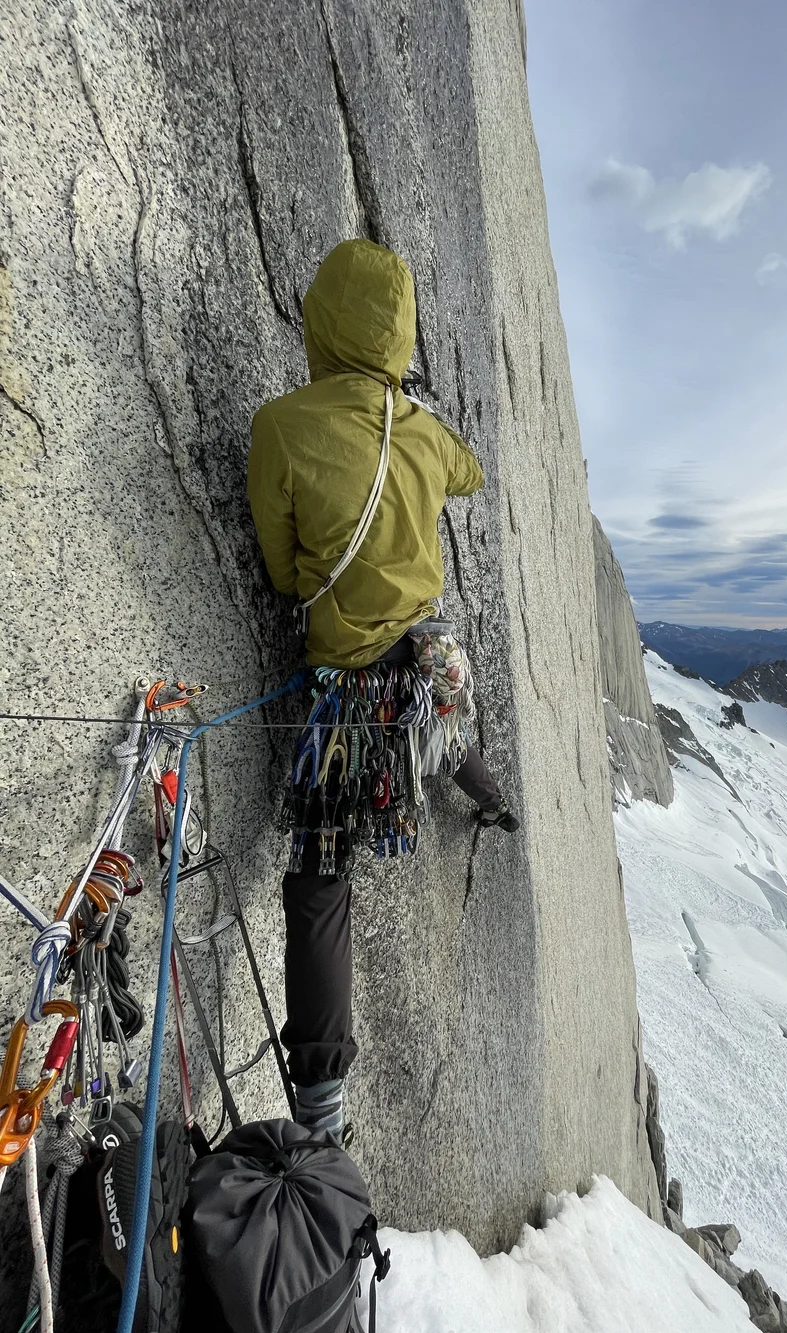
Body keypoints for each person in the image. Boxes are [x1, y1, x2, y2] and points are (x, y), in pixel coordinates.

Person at [247, 238, 517, 1143]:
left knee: (319, 881)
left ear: (322, 321)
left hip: (350, 692)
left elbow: (286, 576)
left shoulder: (283, 426)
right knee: (442, 719)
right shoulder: (429, 437)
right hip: (426, 657)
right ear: (400, 338)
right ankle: (484, 788)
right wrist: (413, 427)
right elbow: (471, 471)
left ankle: (322, 1112)